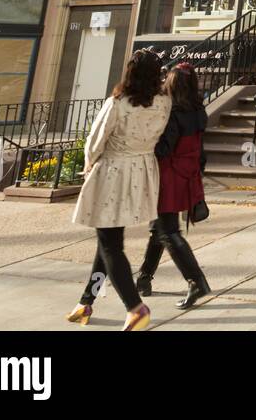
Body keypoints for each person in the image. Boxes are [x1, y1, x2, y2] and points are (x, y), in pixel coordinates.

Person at [67, 49, 171, 331]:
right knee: (108, 239)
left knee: (111, 243)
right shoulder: (164, 103)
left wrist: (89, 163)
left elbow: (95, 139)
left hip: (113, 172)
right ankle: (86, 301)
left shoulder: (118, 103)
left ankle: (135, 307)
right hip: (143, 172)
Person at [134, 62, 212, 309]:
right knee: (160, 227)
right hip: (188, 174)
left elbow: (164, 149)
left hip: (169, 176)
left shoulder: (172, 113)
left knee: (168, 230)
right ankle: (144, 278)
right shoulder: (199, 110)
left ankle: (196, 280)